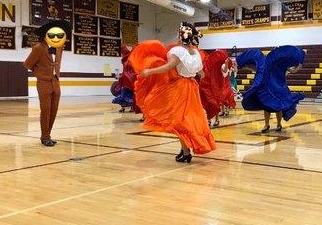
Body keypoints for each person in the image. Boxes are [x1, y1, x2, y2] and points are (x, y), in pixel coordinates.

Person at [129, 22, 216, 163]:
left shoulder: (179, 52)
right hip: (192, 88)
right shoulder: (196, 54)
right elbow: (202, 74)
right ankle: (185, 150)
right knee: (187, 120)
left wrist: (149, 71)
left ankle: (186, 151)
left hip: (180, 89)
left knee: (178, 121)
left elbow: (168, 67)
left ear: (182, 37)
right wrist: (190, 75)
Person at [23, 20, 71, 147]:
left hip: (56, 83)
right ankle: (44, 137)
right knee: (45, 110)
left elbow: (57, 65)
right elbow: (27, 64)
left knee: (53, 111)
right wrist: (39, 73)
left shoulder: (60, 48)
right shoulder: (38, 48)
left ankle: (48, 135)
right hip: (43, 83)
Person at [237, 45, 305, 133]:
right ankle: (266, 124)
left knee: (278, 107)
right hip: (268, 87)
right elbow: (257, 69)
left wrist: (298, 67)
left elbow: (292, 71)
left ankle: (278, 124)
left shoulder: (281, 64)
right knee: (267, 107)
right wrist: (247, 67)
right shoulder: (266, 64)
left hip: (279, 87)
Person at [199, 50, 236, 128]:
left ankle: (217, 119)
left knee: (216, 103)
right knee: (208, 103)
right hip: (208, 86)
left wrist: (226, 64)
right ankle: (208, 119)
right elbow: (201, 74)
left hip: (217, 86)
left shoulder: (220, 65)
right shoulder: (205, 63)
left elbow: (225, 71)